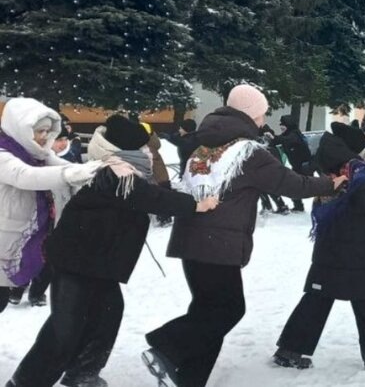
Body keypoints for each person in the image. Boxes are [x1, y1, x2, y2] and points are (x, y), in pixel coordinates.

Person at [143, 85, 344, 387]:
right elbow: (290, 184)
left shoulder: (202, 145)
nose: (263, 122)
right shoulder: (248, 152)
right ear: (250, 115)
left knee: (207, 312)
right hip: (218, 244)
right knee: (229, 309)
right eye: (262, 115)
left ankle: (187, 378)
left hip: (190, 238)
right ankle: (166, 346)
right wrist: (332, 184)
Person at [7, 115, 219, 387]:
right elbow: (149, 197)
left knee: (107, 316)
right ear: (127, 149)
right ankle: (26, 381)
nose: (147, 152)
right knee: (66, 327)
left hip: (98, 264)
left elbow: (144, 194)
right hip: (76, 261)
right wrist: (195, 205)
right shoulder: (114, 172)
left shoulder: (121, 169)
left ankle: (82, 374)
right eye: (141, 148)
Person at [273, 124, 365, 372]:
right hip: (352, 242)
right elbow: (364, 197)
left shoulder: (328, 160)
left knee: (321, 296)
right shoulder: (354, 168)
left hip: (332, 239)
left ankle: (291, 349)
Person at [0, 98, 101, 314]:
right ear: (21, 128)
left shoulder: (37, 154)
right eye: (38, 131)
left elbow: (63, 166)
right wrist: (68, 175)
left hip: (23, 231)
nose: (44, 136)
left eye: (48, 131)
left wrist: (93, 171)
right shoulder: (3, 153)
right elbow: (24, 176)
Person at [271, 115, 316, 212]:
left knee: (296, 185)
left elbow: (284, 140)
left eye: (283, 125)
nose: (281, 127)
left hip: (304, 166)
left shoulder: (294, 134)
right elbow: (277, 140)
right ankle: (298, 206)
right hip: (297, 166)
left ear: (288, 125)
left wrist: (273, 137)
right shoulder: (287, 134)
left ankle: (300, 205)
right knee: (292, 185)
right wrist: (270, 136)